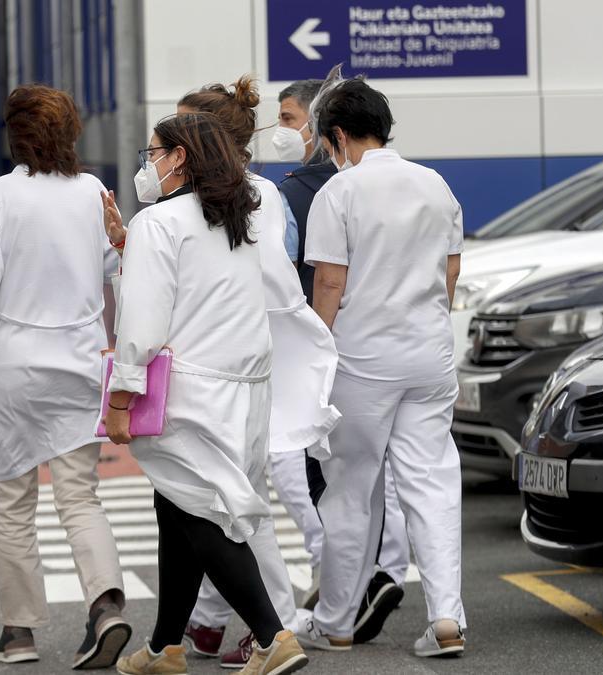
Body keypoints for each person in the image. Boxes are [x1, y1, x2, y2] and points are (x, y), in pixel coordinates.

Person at [106, 112, 308, 675]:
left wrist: (122, 394)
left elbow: (142, 320)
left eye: (154, 153)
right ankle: (166, 647)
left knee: (203, 512)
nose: (149, 164)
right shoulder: (236, 216)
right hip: (243, 387)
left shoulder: (160, 222)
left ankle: (272, 637)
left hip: (188, 391)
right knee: (179, 504)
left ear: (179, 158)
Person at [0, 84, 130, 670]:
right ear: (70, 132)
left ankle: (18, 633)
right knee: (81, 497)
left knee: (13, 500)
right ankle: (106, 607)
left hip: (14, 365)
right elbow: (116, 267)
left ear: (16, 135)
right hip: (79, 359)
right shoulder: (93, 193)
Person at [170, 77, 339, 670]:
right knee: (216, 497)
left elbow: (259, 284)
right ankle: (213, 621)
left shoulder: (233, 199)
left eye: (177, 136)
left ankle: (277, 625)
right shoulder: (261, 192)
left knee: (234, 499)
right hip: (245, 365)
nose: (164, 150)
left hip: (228, 370)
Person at [296, 76, 467, 658]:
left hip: (362, 360)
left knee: (351, 491)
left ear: (338, 135)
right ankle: (447, 618)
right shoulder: (435, 184)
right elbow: (450, 274)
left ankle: (337, 622)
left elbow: (330, 282)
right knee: (432, 481)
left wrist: (315, 355)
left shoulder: (338, 194)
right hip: (428, 355)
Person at [275, 75, 411, 636]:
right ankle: (388, 579)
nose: (279, 132)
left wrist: (317, 344)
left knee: (323, 479)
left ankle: (347, 590)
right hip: (401, 348)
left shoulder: (305, 190)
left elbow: (317, 280)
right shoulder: (414, 183)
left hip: (328, 348)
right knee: (388, 477)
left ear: (323, 129)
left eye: (286, 119)